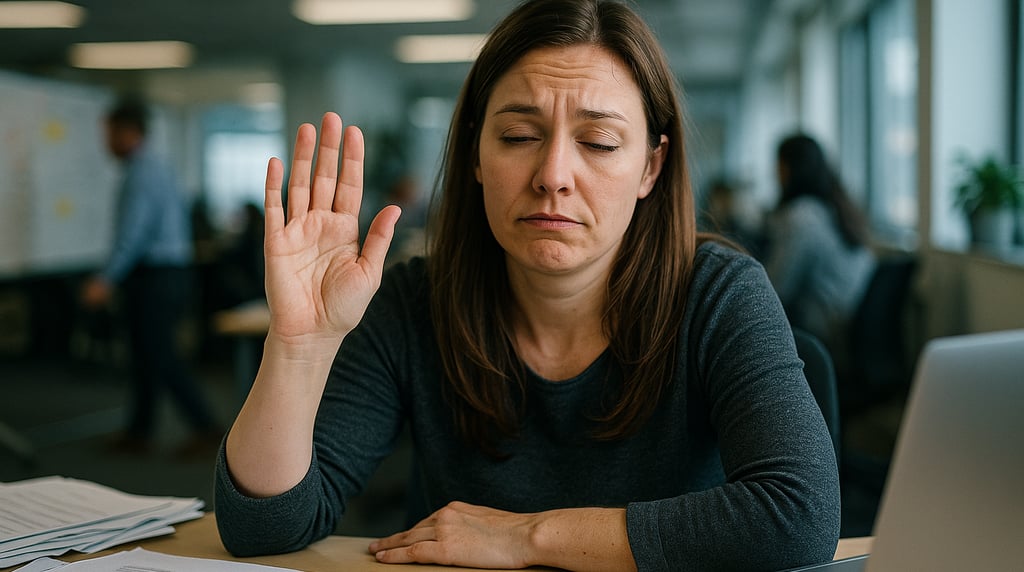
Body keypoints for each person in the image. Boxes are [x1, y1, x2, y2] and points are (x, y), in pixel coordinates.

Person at [213, 1, 840, 570]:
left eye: (598, 141)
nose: (553, 175)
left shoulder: (718, 293)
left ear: (651, 166)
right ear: (477, 156)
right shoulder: (412, 301)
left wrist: (527, 537)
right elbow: (262, 529)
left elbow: (799, 515)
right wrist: (301, 344)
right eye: (518, 136)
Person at [81, 96, 222, 457]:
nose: (105, 142)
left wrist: (106, 277)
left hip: (156, 275)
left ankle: (207, 428)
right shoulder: (155, 166)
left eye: (109, 133)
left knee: (159, 354)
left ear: (127, 132)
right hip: (164, 273)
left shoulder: (143, 172)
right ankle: (139, 431)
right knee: (145, 354)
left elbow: (135, 232)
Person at [761, 133, 876, 369]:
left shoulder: (800, 217)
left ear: (788, 169)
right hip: (851, 319)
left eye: (777, 165)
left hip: (827, 327)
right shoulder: (837, 207)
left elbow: (775, 289)